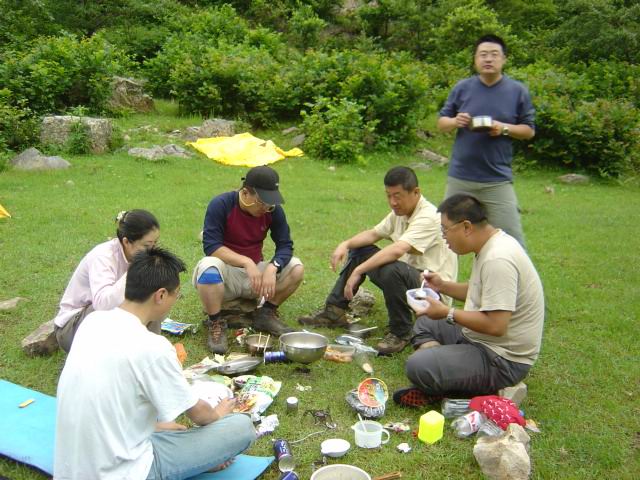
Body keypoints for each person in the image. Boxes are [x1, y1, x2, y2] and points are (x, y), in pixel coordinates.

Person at [54, 247, 256, 479]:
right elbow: (199, 415)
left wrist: (154, 428)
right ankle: (197, 461)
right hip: (124, 472)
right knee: (241, 427)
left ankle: (189, 453)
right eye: (176, 295)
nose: (175, 301)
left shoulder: (92, 322)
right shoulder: (153, 347)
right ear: (160, 295)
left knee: (166, 424)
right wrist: (218, 414)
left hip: (71, 467)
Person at [393, 194, 544, 407]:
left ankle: (468, 384)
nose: (443, 237)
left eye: (445, 229)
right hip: (479, 339)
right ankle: (446, 370)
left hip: (502, 358)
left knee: (417, 366)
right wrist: (441, 286)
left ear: (466, 227)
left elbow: (497, 325)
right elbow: (479, 292)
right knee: (425, 323)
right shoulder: (491, 245)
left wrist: (448, 313)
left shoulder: (498, 259)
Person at [299, 166, 458, 355]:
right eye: (388, 196)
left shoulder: (429, 216)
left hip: (432, 290)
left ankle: (401, 332)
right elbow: (374, 234)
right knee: (361, 248)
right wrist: (346, 244)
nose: (392, 202)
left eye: (397, 196)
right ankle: (334, 311)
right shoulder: (400, 213)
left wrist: (358, 270)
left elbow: (397, 250)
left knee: (392, 270)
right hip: (409, 279)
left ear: (416, 192)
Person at [193, 166, 304, 354]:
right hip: (225, 276)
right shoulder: (221, 204)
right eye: (262, 202)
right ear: (245, 193)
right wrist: (246, 262)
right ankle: (215, 322)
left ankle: (266, 313)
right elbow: (211, 246)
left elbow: (285, 245)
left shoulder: (273, 211)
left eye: (270, 204)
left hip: (255, 280)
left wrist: (273, 267)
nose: (266, 208)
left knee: (296, 267)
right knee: (208, 266)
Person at [438, 34, 535, 248]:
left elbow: (529, 130)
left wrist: (503, 128)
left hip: (496, 179)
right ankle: (437, 272)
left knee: (511, 239)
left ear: (504, 59)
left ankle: (515, 272)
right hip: (461, 176)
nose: (488, 59)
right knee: (444, 235)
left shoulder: (517, 91)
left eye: (494, 54)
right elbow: (442, 123)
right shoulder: (462, 88)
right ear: (475, 59)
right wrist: (455, 121)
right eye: (483, 55)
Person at [53, 209, 160, 353]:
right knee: (136, 301)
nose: (152, 251)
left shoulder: (137, 256)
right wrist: (133, 272)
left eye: (155, 244)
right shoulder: (103, 256)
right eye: (146, 246)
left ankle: (149, 351)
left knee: (152, 296)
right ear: (126, 242)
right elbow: (102, 305)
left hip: (100, 324)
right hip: (72, 329)